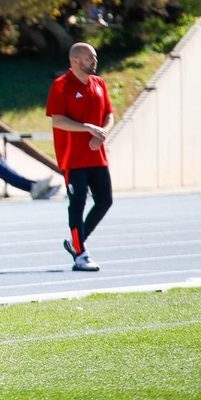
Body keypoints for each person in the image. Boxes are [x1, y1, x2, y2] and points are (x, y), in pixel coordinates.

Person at [46, 42, 115, 272]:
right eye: (89, 58)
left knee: (105, 200)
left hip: (96, 155)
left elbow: (109, 116)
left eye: (94, 57)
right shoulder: (61, 85)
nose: (94, 61)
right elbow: (58, 120)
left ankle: (77, 242)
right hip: (73, 158)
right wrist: (87, 128)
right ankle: (81, 255)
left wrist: (102, 133)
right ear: (75, 61)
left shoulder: (99, 84)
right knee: (78, 203)